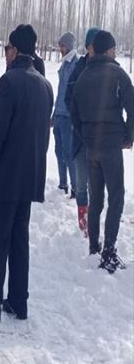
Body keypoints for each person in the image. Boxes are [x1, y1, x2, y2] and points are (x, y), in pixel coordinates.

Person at [0, 24, 53, 323]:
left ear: (15, 50)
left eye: (6, 49)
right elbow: (44, 136)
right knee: (19, 241)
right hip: (29, 178)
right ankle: (18, 301)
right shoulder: (44, 85)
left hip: (5, 177)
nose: (5, 55)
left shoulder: (10, 81)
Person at [71, 30, 133, 273]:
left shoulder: (84, 76)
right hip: (110, 147)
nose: (115, 53)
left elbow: (74, 112)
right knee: (116, 196)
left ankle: (94, 248)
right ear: (109, 50)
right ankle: (109, 251)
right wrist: (128, 137)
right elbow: (133, 107)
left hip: (91, 147)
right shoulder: (118, 74)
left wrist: (85, 135)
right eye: (114, 49)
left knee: (96, 198)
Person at [65, 27, 100, 235]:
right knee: (80, 183)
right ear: (88, 46)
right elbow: (68, 98)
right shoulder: (79, 68)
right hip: (80, 136)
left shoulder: (106, 67)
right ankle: (83, 221)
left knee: (95, 183)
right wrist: (78, 119)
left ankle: (93, 221)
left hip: (99, 138)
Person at [52, 32, 79, 197]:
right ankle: (63, 184)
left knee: (69, 153)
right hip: (59, 114)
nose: (60, 48)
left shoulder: (75, 65)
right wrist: (54, 114)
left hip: (69, 117)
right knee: (58, 150)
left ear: (68, 46)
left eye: (62, 45)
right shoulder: (64, 64)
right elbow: (60, 92)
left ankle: (76, 187)